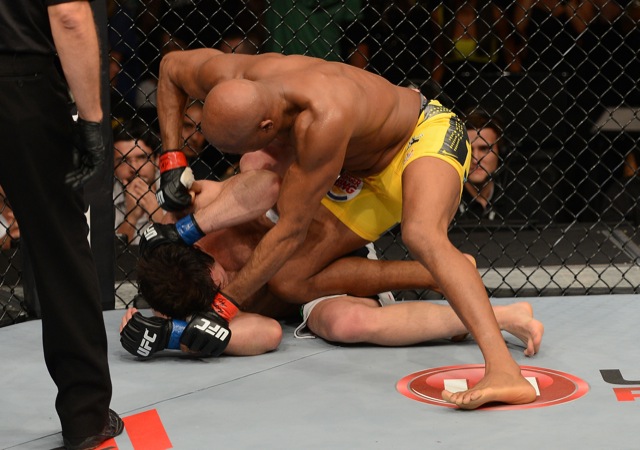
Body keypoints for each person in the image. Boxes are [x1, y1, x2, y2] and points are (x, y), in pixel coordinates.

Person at [154, 48, 537, 409]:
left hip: (422, 137)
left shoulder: (323, 120)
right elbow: (171, 67)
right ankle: (440, 273)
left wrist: (221, 307)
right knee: (289, 279)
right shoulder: (233, 74)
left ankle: (505, 372)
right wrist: (172, 159)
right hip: (362, 172)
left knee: (422, 234)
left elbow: (290, 232)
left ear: (268, 124)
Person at [120, 177, 543, 358]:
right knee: (346, 324)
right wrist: (175, 337)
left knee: (256, 161)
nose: (230, 286)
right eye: (218, 292)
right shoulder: (181, 301)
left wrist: (198, 223)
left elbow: (265, 183)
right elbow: (266, 333)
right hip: (313, 291)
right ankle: (500, 317)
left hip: (325, 232)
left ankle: (435, 272)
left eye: (219, 275)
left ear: (197, 246)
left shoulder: (198, 214)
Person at [0, 1, 123, 448]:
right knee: (59, 245)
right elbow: (69, 14)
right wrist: (92, 120)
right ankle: (85, 417)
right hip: (19, 85)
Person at [113, 118, 164, 244]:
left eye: (141, 158)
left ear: (157, 160)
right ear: (112, 167)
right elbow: (111, 256)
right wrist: (131, 217)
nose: (134, 168)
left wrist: (156, 213)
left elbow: (182, 250)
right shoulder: (104, 197)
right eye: (123, 161)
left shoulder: (175, 188)